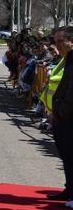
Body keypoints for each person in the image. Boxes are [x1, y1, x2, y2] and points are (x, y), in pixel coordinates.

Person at [49, 26, 73, 201]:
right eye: (55, 41)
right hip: (61, 114)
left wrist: (61, 112)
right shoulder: (67, 58)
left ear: (71, 41)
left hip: (68, 116)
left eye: (60, 41)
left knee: (70, 155)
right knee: (66, 156)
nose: (57, 45)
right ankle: (69, 189)